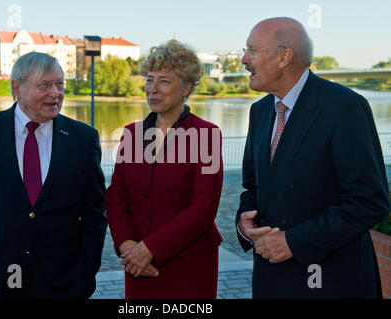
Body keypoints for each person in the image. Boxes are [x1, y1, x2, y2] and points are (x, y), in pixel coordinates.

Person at [236, 17, 389, 298]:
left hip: (333, 282)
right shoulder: (260, 112)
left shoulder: (345, 107)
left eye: (252, 50)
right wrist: (245, 224)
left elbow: (369, 201)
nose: (244, 59)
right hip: (272, 281)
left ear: (284, 57)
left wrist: (294, 242)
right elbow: (253, 187)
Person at [0, 52, 107, 298]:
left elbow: (95, 214)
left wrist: (83, 274)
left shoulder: (83, 139)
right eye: (45, 85)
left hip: (61, 284)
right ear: (17, 88)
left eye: (60, 84)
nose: (56, 93)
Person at [105, 39, 223, 299]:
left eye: (164, 81)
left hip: (189, 265)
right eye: (149, 79)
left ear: (186, 88)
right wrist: (128, 246)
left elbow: (204, 207)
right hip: (137, 264)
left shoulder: (207, 135)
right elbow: (116, 197)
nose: (152, 89)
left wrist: (151, 249)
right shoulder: (131, 134)